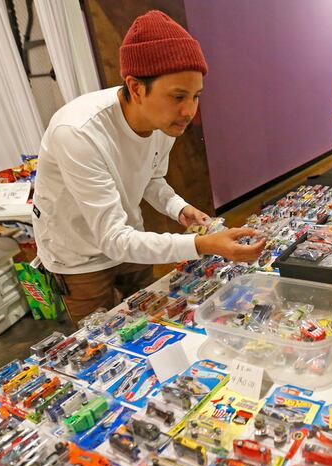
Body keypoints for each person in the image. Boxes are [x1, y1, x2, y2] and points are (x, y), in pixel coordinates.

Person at [32, 10, 265, 324]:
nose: (189, 111)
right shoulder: (78, 132)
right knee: (102, 343)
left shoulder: (163, 123)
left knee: (148, 320)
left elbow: (151, 177)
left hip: (129, 238)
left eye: (195, 96)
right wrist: (202, 244)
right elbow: (111, 239)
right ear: (137, 87)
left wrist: (178, 208)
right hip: (78, 256)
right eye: (178, 96)